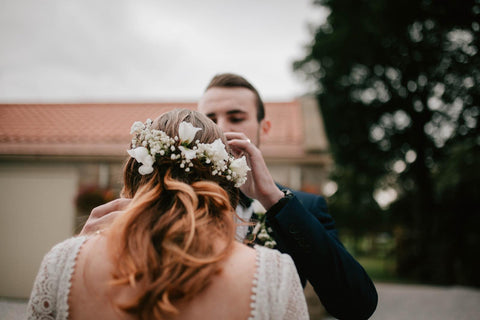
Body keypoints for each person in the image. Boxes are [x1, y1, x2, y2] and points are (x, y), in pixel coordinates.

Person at [82, 73, 378, 319]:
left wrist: (272, 199)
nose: (221, 127)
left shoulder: (301, 207)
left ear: (264, 127)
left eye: (235, 117)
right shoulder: (158, 202)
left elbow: (357, 306)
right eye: (210, 118)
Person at [27, 109, 309, 320]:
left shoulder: (64, 262)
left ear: (134, 176)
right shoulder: (274, 275)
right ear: (226, 187)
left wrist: (79, 250)